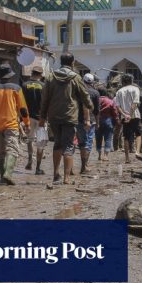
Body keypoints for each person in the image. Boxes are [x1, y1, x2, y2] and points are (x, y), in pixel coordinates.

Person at [40, 53, 93, 185]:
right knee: (69, 146)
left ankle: (56, 175)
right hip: (70, 116)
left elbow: (45, 98)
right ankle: (66, 178)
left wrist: (42, 116)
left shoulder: (51, 76)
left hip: (54, 116)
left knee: (57, 143)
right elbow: (84, 95)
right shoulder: (75, 77)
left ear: (60, 62)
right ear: (73, 63)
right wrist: (90, 106)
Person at [0, 66, 30, 185]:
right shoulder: (16, 88)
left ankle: (3, 178)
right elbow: (23, 109)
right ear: (10, 76)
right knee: (12, 149)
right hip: (11, 124)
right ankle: (8, 174)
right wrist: (27, 123)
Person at [21, 66, 46, 174]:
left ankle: (30, 159)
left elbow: (21, 103)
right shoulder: (44, 86)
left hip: (28, 117)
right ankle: (38, 168)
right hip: (42, 118)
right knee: (40, 143)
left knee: (30, 139)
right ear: (40, 75)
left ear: (32, 73)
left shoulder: (24, 85)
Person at [114, 74, 141, 163]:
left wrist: (125, 115)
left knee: (126, 137)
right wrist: (130, 114)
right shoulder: (135, 89)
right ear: (131, 81)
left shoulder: (119, 91)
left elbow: (118, 106)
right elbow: (135, 103)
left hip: (124, 117)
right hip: (135, 115)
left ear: (123, 81)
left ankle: (127, 158)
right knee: (138, 134)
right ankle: (137, 152)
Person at [79, 73, 100, 174]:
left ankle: (74, 167)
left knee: (79, 143)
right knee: (88, 143)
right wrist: (98, 122)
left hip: (78, 120)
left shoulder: (78, 90)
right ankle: (84, 166)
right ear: (92, 82)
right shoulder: (95, 93)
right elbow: (97, 110)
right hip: (90, 121)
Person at [97, 87, 117, 161]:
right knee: (108, 138)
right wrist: (116, 121)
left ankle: (99, 155)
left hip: (97, 120)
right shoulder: (110, 101)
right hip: (108, 120)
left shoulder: (96, 100)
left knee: (98, 138)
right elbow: (115, 112)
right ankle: (105, 156)